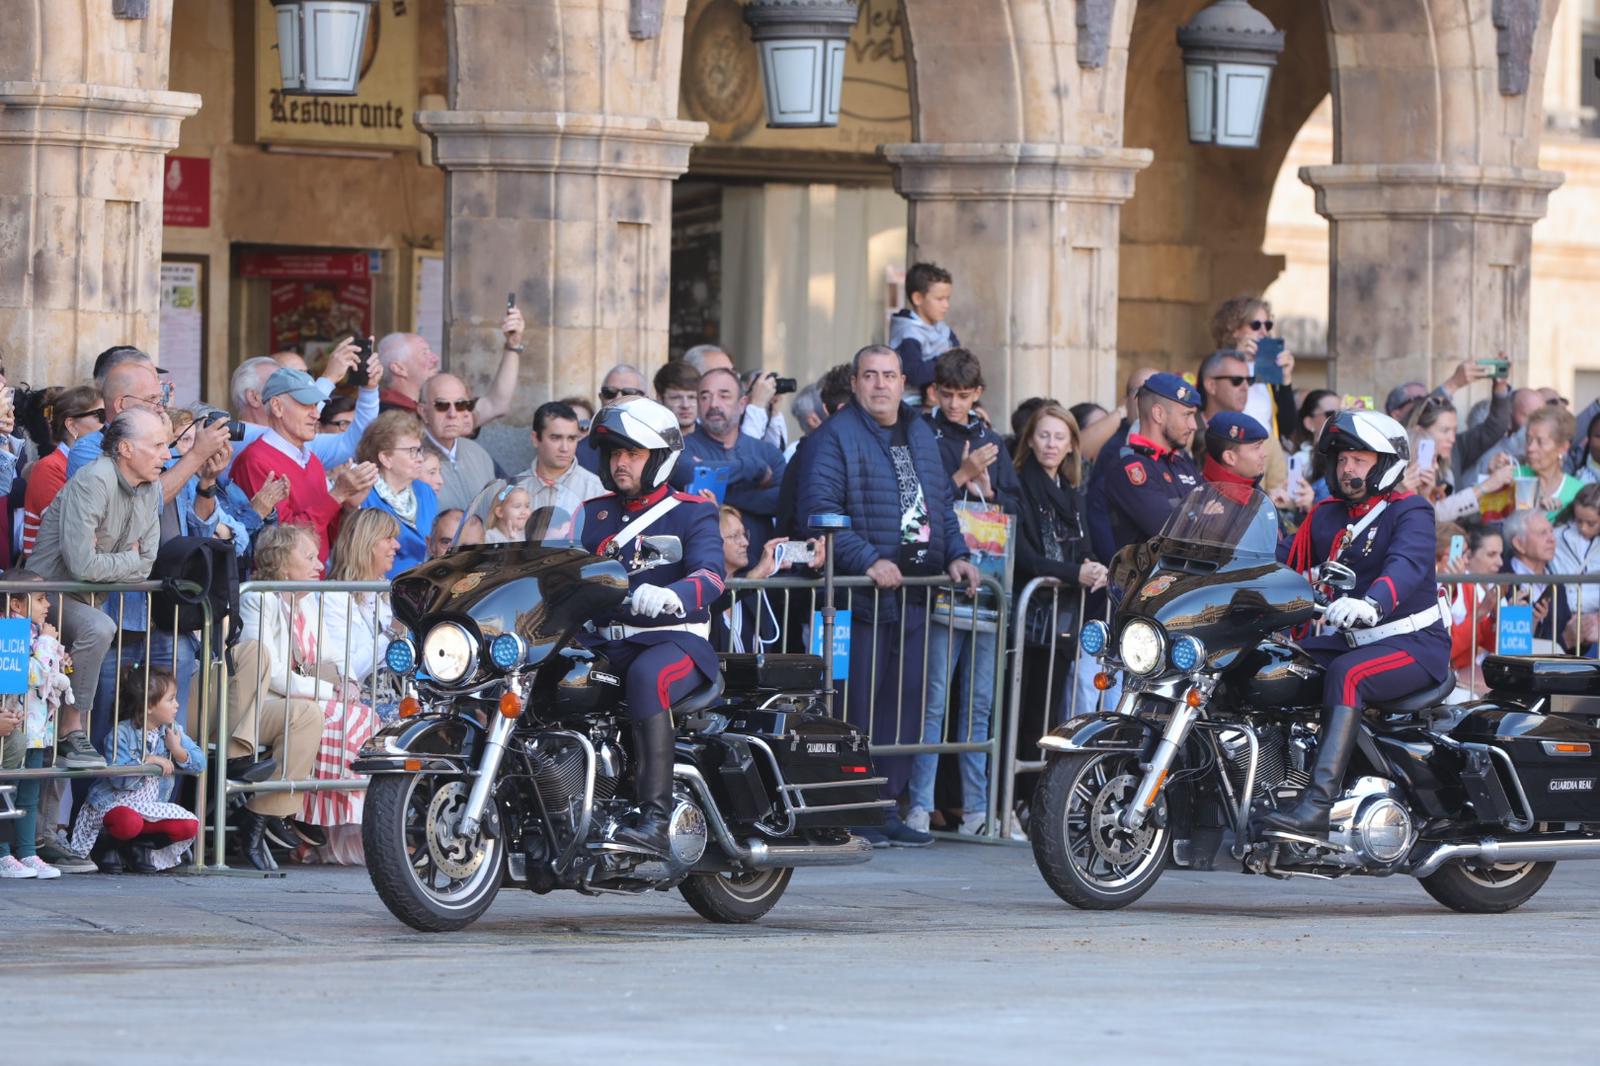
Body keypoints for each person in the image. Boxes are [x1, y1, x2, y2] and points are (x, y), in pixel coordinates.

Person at [797, 345, 980, 847]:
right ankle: (851, 808)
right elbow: (820, 514)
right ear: (854, 383)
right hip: (861, 600)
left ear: (905, 383)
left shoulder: (920, 431)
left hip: (917, 596)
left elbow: (939, 505)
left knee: (904, 709)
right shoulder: (833, 438)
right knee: (857, 710)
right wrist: (865, 560)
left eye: (889, 376)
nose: (880, 385)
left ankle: (885, 808)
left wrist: (957, 554)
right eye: (870, 376)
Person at [1272, 410, 1451, 841]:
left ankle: (1316, 806)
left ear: (1386, 463)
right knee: (1269, 664)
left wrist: (1372, 602)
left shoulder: (1411, 511)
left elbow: (1406, 566)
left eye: (1359, 459)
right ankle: (1269, 785)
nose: (1346, 468)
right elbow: (1286, 558)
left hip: (1412, 644)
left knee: (1347, 675)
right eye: (1341, 460)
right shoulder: (1328, 514)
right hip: (1352, 640)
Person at [579, 397, 727, 858]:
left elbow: (712, 575)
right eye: (614, 454)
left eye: (633, 454)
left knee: (648, 676)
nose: (620, 463)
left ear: (660, 459)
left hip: (675, 639)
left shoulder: (690, 512)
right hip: (606, 641)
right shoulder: (591, 513)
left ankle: (655, 820)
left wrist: (674, 594)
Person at [908, 348, 1020, 838]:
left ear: (978, 395)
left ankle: (976, 807)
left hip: (988, 581)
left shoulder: (991, 437)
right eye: (947, 394)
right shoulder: (923, 432)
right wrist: (962, 475)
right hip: (941, 582)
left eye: (964, 396)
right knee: (934, 699)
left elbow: (1016, 505)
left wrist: (991, 490)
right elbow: (921, 502)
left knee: (978, 703)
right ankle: (919, 802)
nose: (955, 405)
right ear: (935, 392)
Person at [30, 408, 173, 768]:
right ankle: (70, 729)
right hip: (44, 595)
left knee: (98, 623)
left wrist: (115, 562)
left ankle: (66, 749)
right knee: (100, 626)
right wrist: (127, 560)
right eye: (157, 445)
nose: (167, 455)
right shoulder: (93, 480)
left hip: (88, 597)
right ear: (125, 448)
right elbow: (82, 565)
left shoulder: (151, 486)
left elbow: (147, 562)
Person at [1011, 402, 1108, 828]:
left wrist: (1094, 567)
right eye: (1044, 435)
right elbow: (1025, 557)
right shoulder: (1017, 485)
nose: (1051, 444)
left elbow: (1080, 544)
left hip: (1063, 620)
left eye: (1059, 436)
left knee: (1053, 714)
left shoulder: (1072, 492)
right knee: (1025, 712)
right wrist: (1076, 572)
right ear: (1030, 439)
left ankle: (1040, 802)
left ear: (1071, 443)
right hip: (1031, 619)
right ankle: (1017, 801)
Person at [228, 524, 343, 870]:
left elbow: (330, 661)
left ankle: (260, 816)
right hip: (241, 708)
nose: (320, 564)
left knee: (309, 714)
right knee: (312, 708)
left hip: (274, 704)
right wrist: (327, 690)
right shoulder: (258, 598)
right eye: (308, 557)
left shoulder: (305, 605)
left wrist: (335, 684)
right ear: (280, 561)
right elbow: (266, 670)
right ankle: (289, 813)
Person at [68, 666, 205, 874]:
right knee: (127, 821)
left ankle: (137, 847)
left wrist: (177, 750)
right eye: (171, 699)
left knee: (188, 825)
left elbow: (200, 762)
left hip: (150, 807)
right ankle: (107, 845)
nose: (177, 705)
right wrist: (147, 762)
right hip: (115, 804)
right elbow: (118, 780)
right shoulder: (122, 732)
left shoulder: (172, 730)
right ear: (149, 706)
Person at [231, 368, 378, 561]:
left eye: (316, 405)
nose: (316, 414)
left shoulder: (311, 459)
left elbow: (327, 536)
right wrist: (337, 495)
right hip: (283, 588)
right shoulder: (256, 461)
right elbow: (282, 546)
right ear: (277, 407)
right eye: (306, 405)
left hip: (312, 582)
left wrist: (348, 506)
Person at [0, 576, 78, 879]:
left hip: (37, 729)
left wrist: (59, 657)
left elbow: (48, 672)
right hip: (16, 726)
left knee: (30, 793)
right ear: (17, 603)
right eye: (41, 598)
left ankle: (27, 852)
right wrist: (46, 644)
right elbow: (29, 675)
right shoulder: (10, 632)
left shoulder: (37, 634)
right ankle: (4, 853)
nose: (48, 605)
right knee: (8, 790)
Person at [672, 366, 787, 558]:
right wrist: (752, 468)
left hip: (762, 572)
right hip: (702, 569)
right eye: (705, 397)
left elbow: (781, 502)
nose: (713, 404)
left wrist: (717, 495)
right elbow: (689, 472)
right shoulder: (682, 448)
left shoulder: (768, 453)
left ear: (742, 404)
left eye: (724, 396)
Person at [229, 339, 381, 470]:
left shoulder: (299, 442)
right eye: (279, 384)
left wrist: (369, 389)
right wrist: (329, 378)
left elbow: (358, 440)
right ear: (254, 397)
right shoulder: (229, 439)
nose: (299, 388)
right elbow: (271, 440)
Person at [1103, 372, 1202, 553]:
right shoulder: (1130, 467)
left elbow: (1221, 519)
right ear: (1158, 414)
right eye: (1187, 415)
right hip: (1150, 578)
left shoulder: (1181, 462)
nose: (1194, 425)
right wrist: (1204, 516)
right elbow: (1170, 533)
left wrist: (1195, 517)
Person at [1084, 366, 1158, 561]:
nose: (1148, 401)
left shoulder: (1171, 449)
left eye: (1157, 393)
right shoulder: (1116, 448)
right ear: (1128, 400)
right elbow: (1098, 511)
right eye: (1141, 392)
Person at [19, 385, 101, 557]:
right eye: (99, 416)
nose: (107, 424)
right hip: (51, 577)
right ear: (71, 425)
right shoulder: (49, 468)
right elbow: (72, 533)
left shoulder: (95, 464)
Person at [355, 410, 438, 578]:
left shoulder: (425, 491)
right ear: (386, 458)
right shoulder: (363, 494)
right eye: (412, 451)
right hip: (382, 591)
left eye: (420, 450)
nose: (420, 459)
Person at [1194, 348, 1287, 492]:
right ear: (1211, 385)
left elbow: (1281, 493)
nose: (1245, 387)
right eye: (1236, 381)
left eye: (1249, 380)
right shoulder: (1185, 432)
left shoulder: (1265, 439)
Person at [418, 373, 499, 512]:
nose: (452, 414)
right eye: (442, 405)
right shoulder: (413, 457)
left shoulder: (478, 453)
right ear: (424, 412)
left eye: (460, 405)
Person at [516, 401, 604, 515]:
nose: (565, 448)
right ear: (535, 439)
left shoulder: (596, 490)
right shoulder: (513, 489)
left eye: (572, 438)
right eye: (556, 438)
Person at [889, 262, 959, 396]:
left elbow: (959, 362)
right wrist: (947, 360)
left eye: (947, 299)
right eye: (940, 299)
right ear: (918, 298)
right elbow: (915, 374)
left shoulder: (944, 329)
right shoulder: (907, 333)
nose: (946, 305)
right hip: (911, 403)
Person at [575, 364, 648, 475]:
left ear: (645, 400)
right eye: (609, 392)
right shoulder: (580, 452)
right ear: (601, 398)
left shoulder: (659, 446)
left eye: (628, 393)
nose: (618, 398)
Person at [1514, 405, 1583, 523]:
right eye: (1528, 439)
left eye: (1540, 442)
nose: (1530, 448)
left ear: (1563, 448)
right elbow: (1487, 517)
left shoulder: (1577, 491)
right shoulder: (1513, 475)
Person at [1200, 411, 1272, 501]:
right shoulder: (1199, 499)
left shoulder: (1256, 493)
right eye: (1257, 447)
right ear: (1230, 458)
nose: (1264, 454)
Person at [1554, 483, 1600, 618]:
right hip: (1562, 616)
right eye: (1579, 521)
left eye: (1591, 523)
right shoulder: (1557, 536)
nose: (1583, 528)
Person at [375, 332, 442, 414]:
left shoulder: (426, 409)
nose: (436, 359)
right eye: (424, 353)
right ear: (399, 369)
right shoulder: (384, 417)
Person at [654, 359, 701, 434]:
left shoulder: (715, 440)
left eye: (691, 397)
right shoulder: (648, 440)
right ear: (659, 398)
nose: (685, 405)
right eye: (676, 398)